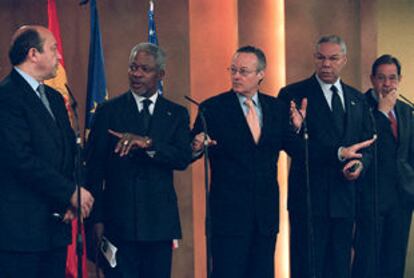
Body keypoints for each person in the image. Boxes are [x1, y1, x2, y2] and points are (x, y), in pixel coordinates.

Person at [191, 45, 303, 278]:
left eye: (243, 71)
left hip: (265, 216)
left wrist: (298, 127)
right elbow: (193, 148)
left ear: (261, 74)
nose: (236, 76)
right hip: (228, 216)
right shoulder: (212, 108)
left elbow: (296, 149)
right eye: (233, 70)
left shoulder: (277, 108)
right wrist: (195, 146)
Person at [85, 42, 192, 278]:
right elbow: (93, 171)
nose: (136, 74)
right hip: (118, 225)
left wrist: (149, 143)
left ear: (160, 74)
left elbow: (182, 157)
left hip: (159, 226)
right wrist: (96, 219)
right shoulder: (108, 112)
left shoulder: (176, 114)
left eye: (145, 69)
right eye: (133, 67)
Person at [0, 25, 94, 277]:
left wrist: (72, 193)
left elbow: (70, 152)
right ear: (33, 54)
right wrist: (69, 192)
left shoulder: (54, 97)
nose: (58, 56)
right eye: (53, 49)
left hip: (56, 225)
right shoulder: (6, 97)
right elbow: (20, 159)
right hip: (21, 232)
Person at [278, 35, 374, 278]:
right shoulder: (293, 94)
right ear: (314, 59)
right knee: (308, 269)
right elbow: (290, 143)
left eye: (333, 58)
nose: (326, 64)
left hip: (345, 200)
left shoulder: (356, 98)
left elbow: (368, 145)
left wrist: (359, 165)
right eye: (321, 58)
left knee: (340, 269)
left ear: (344, 60)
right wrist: (337, 153)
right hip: (309, 201)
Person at [352, 55, 414, 278]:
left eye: (392, 78)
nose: (387, 84)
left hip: (401, 199)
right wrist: (381, 111)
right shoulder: (358, 106)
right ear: (371, 79)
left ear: (400, 79)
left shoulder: (407, 111)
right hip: (371, 198)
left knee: (394, 263)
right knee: (367, 263)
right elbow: (362, 146)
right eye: (381, 78)